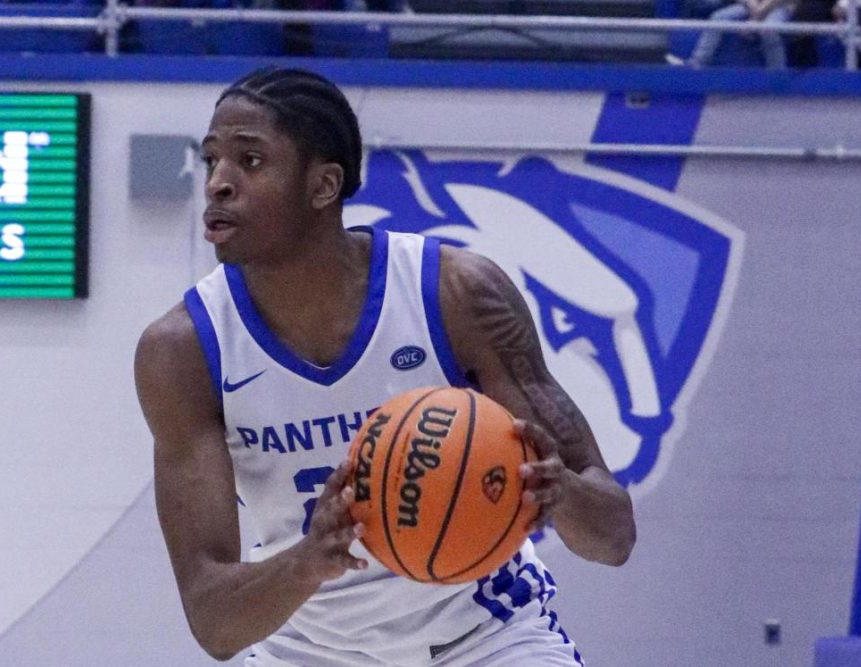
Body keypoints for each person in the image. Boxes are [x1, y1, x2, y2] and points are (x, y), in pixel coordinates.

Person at [134, 66, 636, 666]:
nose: (217, 183)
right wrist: (307, 559)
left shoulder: (457, 294)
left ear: (323, 186)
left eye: (250, 161)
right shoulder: (183, 350)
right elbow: (214, 624)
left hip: (487, 637)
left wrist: (562, 494)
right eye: (212, 159)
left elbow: (614, 537)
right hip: (307, 650)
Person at [670, 0, 798, 69]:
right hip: (753, 6)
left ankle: (777, 75)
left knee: (768, 30)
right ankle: (696, 65)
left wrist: (755, 19)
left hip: (780, 6)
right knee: (718, 18)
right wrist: (750, 4)